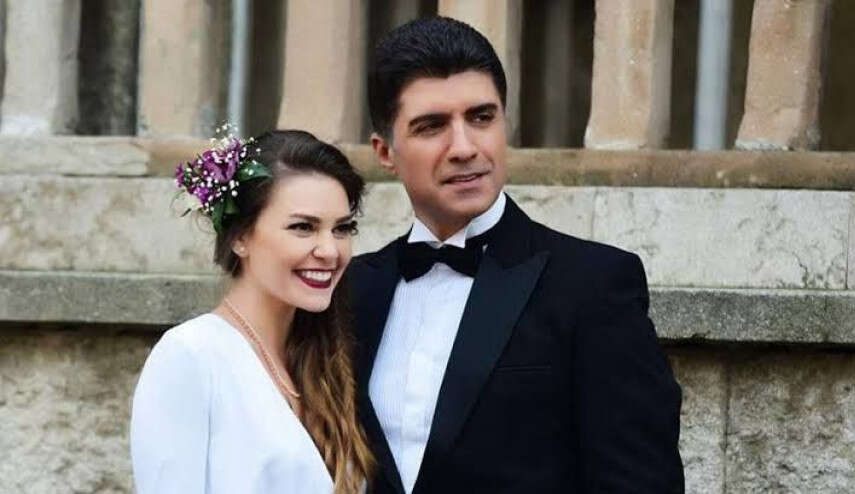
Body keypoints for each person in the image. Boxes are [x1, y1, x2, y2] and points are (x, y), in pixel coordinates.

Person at [347, 17, 684, 493]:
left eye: (481, 117)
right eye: (432, 126)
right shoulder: (352, 289)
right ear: (385, 152)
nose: (464, 147)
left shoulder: (594, 285)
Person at [131, 130, 375, 493]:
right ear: (240, 237)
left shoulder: (326, 361)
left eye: (342, 228)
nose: (329, 250)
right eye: (303, 227)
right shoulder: (191, 356)